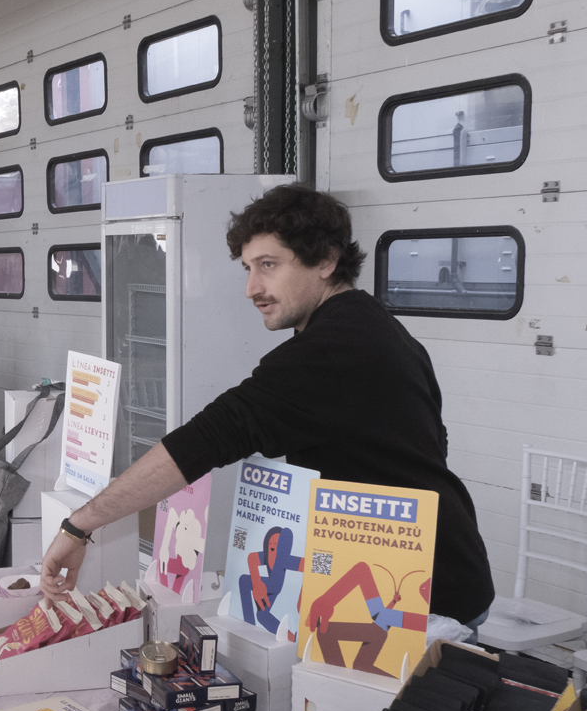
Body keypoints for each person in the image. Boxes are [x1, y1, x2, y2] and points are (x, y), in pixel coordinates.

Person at [41, 183, 495, 635]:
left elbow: (206, 439)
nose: (251, 288)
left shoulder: (329, 350)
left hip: (424, 602)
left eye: (269, 265)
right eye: (248, 268)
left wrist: (79, 526)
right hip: (425, 577)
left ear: (326, 260)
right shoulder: (377, 327)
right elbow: (433, 441)